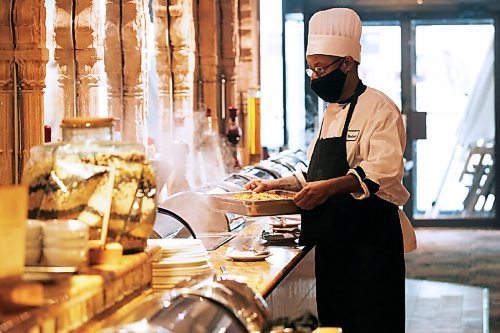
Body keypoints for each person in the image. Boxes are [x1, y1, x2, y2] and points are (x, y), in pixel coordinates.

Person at [245, 7, 410, 332]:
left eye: (320, 69)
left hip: (371, 246)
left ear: (347, 63)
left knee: (373, 324)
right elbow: (317, 173)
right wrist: (277, 185)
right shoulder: (331, 112)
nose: (316, 78)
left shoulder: (380, 108)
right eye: (311, 71)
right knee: (334, 324)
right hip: (334, 245)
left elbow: (383, 170)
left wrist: (328, 189)